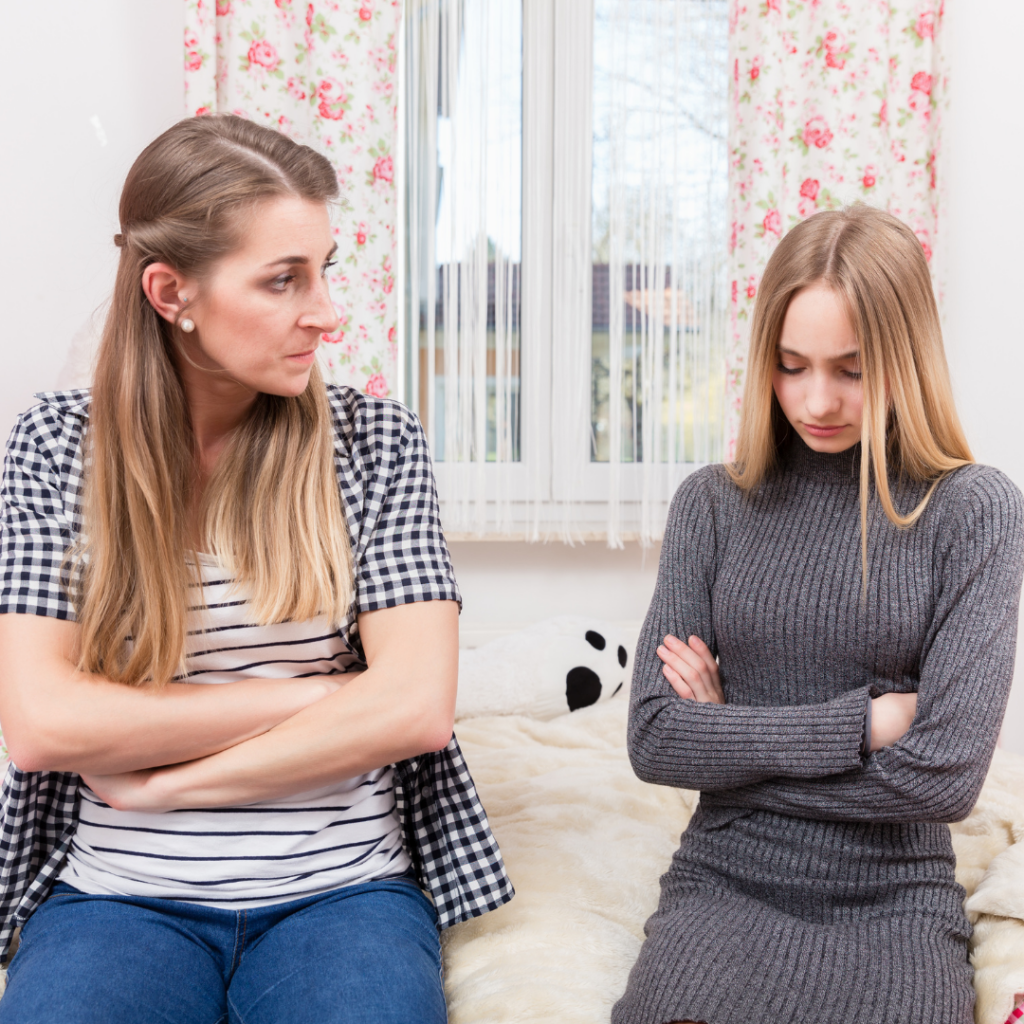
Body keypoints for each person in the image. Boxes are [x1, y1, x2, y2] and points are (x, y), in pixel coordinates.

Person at [0, 115, 512, 1024]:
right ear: (171, 292)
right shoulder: (55, 445)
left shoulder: (374, 443)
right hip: (118, 897)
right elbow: (41, 723)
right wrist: (317, 695)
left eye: (324, 269)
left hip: (345, 896)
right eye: (284, 280)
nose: (327, 311)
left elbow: (417, 709)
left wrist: (165, 784)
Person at [613, 205, 1024, 1024]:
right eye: (791, 365)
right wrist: (863, 724)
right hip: (722, 880)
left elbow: (944, 780)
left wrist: (734, 739)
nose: (817, 399)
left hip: (894, 898)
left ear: (905, 359)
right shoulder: (712, 505)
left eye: (852, 368)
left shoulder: (974, 510)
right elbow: (656, 739)